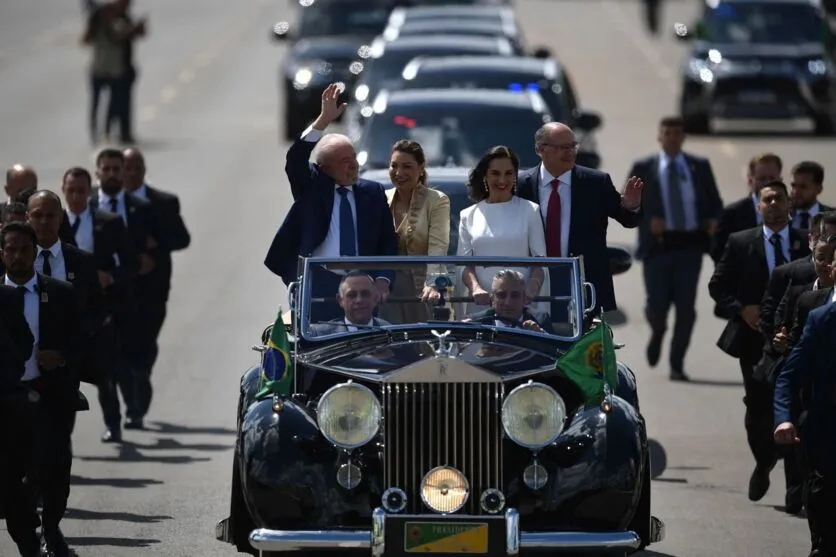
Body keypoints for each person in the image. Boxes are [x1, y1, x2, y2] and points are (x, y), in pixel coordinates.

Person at [708, 180, 809, 506]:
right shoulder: (741, 243)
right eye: (768, 199)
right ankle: (764, 462)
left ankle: (795, 486)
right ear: (759, 206)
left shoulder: (804, 243)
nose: (774, 204)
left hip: (795, 341)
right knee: (759, 408)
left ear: (789, 204)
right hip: (754, 342)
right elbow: (718, 286)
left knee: (796, 407)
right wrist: (741, 309)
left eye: (780, 198)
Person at [264, 83, 398, 321]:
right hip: (319, 284)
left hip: (362, 290)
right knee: (319, 345)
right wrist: (323, 120)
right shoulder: (313, 188)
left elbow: (387, 242)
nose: (354, 165)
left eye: (354, 158)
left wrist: (382, 280)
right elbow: (295, 158)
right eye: (345, 161)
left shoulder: (372, 192)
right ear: (325, 169)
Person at [1, 221, 83, 557]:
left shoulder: (60, 293)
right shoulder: (3, 297)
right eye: (11, 249)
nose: (18, 256)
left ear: (35, 252)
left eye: (24, 249)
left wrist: (61, 358)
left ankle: (51, 528)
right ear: (2, 254)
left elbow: (81, 343)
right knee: (9, 480)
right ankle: (28, 540)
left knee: (54, 470)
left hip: (48, 399)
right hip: (7, 403)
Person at [630, 115, 723, 381]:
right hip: (657, 247)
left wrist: (713, 221)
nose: (672, 137)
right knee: (656, 307)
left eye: (677, 132)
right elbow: (627, 204)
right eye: (667, 132)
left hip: (690, 245)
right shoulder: (645, 167)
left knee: (686, 309)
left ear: (683, 137)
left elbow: (715, 202)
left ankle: (676, 363)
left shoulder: (698, 166)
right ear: (659, 136)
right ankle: (657, 332)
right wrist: (648, 222)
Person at [516, 122, 643, 315]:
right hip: (532, 289)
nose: (570, 152)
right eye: (562, 147)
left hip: (582, 289)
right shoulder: (520, 185)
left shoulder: (596, 183)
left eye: (573, 146)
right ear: (540, 149)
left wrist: (631, 206)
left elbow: (628, 220)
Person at [59, 166, 137, 442]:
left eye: (82, 190)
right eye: (71, 190)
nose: (76, 196)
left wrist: (110, 277)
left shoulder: (109, 222)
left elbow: (130, 263)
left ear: (89, 191)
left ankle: (113, 424)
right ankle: (61, 435)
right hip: (65, 309)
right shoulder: (53, 223)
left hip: (100, 309)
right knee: (64, 378)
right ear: (63, 191)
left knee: (105, 373)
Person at [92, 148, 160, 430]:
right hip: (97, 296)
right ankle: (120, 414)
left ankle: (136, 400)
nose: (110, 174)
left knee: (135, 356)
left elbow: (153, 247)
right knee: (108, 358)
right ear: (97, 172)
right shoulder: (86, 207)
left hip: (134, 293)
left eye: (115, 169)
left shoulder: (141, 207)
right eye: (105, 169)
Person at [122, 148, 190, 390]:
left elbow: (182, 239)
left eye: (135, 168)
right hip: (119, 287)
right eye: (125, 168)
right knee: (122, 344)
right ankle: (131, 390)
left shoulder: (163, 203)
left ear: (144, 170)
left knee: (146, 340)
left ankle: (141, 377)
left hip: (153, 287)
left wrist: (158, 244)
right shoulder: (101, 204)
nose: (130, 173)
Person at [774, 303, 836, 557]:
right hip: (828, 427)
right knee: (824, 497)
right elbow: (789, 375)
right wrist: (783, 418)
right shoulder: (822, 320)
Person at [27, 191, 105, 389]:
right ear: (27, 217)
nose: (44, 221)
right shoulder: (11, 262)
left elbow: (96, 310)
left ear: (61, 218)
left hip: (64, 369)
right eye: (37, 215)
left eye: (50, 215)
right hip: (20, 368)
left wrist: (65, 352)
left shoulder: (81, 262)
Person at [457, 146, 547, 316]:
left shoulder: (530, 210)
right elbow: (465, 265)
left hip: (520, 305)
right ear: (485, 175)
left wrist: (530, 290)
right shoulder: (468, 215)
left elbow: (540, 263)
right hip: (481, 306)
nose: (502, 180)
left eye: (508, 173)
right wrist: (475, 288)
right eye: (495, 173)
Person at [379, 139, 450, 324]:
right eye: (394, 166)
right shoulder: (381, 198)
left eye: (407, 166)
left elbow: (438, 246)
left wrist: (432, 284)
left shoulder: (436, 200)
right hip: (385, 289)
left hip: (420, 289)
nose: (399, 173)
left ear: (421, 168)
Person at [0, 284, 36, 556]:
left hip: (6, 408)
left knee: (11, 484)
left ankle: (31, 547)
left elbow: (24, 345)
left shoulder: (7, 297)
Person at [710, 153, 782, 263]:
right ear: (750, 180)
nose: (768, 183)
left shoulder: (791, 211)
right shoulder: (732, 214)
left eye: (772, 178)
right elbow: (718, 252)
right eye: (762, 179)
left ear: (780, 179)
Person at [465, 269, 553, 333]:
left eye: (515, 296)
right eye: (501, 295)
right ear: (492, 299)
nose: (508, 303)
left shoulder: (540, 320)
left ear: (524, 299)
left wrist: (541, 336)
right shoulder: (475, 323)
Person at [790, 161, 832, 234]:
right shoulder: (782, 216)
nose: (795, 191)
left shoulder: (832, 218)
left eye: (803, 187)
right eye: (793, 186)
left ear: (819, 189)